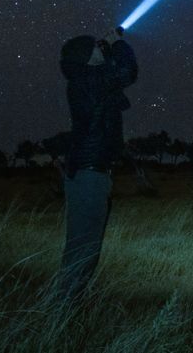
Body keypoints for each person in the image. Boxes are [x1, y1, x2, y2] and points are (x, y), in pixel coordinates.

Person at [54, 25, 137, 302]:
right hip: (90, 173)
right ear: (86, 57)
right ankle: (63, 310)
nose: (99, 49)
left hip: (91, 171)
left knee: (85, 245)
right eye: (95, 48)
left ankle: (70, 304)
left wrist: (107, 51)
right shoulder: (88, 80)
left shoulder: (86, 80)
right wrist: (117, 45)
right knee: (83, 248)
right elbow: (127, 71)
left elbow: (117, 79)